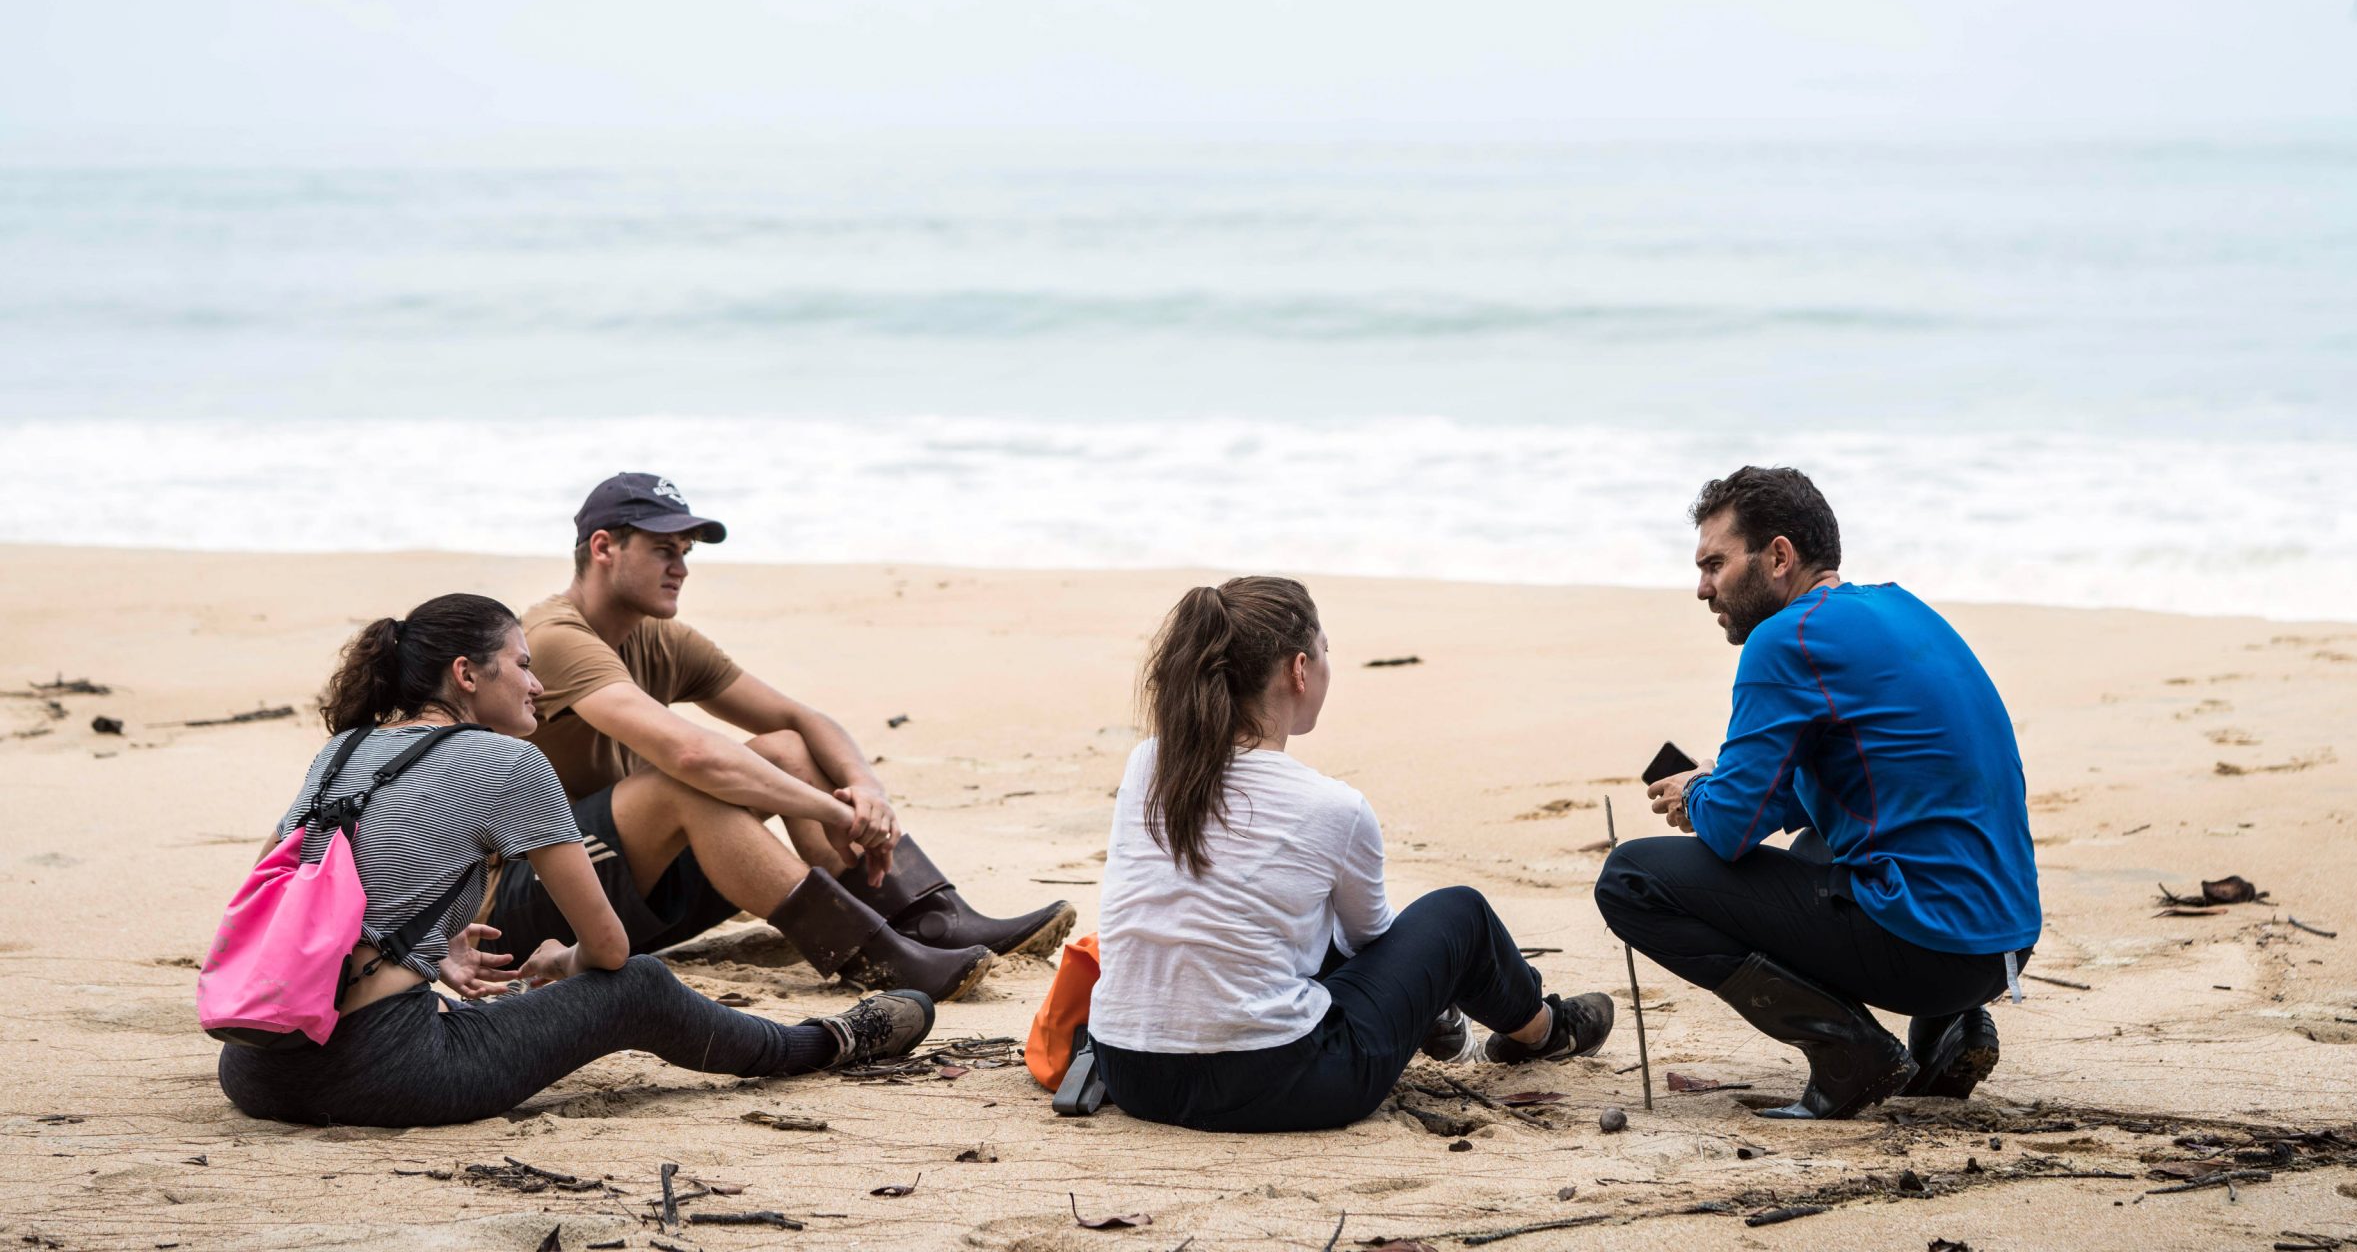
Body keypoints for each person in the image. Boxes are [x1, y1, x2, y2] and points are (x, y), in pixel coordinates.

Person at [217, 594, 933, 1128]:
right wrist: (564, 963)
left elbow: (281, 897)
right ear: (466, 674)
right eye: (523, 666)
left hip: (256, 1069)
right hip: (392, 1074)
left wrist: (430, 953)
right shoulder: (509, 761)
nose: (537, 685)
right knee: (641, 988)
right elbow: (612, 950)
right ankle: (824, 1043)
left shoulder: (339, 751)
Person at [483, 473, 1073, 1002]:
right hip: (524, 905)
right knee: (683, 785)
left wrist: (868, 792)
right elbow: (690, 754)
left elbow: (801, 719)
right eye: (664, 549)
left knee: (786, 748)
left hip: (620, 894)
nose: (681, 568)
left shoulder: (658, 639)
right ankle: (877, 957)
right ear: (603, 548)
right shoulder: (553, 638)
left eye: (685, 552)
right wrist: (834, 813)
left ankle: (927, 918)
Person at [1088, 576, 1617, 1133]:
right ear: (1299, 670)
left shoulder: (1150, 763)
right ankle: (1543, 1030)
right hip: (1273, 1084)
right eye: (1324, 654)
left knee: (1286, 923)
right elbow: (1369, 941)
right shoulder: (1333, 807)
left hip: (1131, 1071)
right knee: (1459, 914)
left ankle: (1469, 1022)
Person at [1594, 467, 2041, 1121]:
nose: (1702, 588)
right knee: (1818, 837)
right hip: (2004, 943)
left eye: (1715, 563)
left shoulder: (1785, 639)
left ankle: (1849, 1053)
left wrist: (1699, 794)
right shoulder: (1900, 607)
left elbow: (1730, 831)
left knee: (1630, 878)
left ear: (1778, 556)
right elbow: (1849, 787)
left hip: (1932, 950)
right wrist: (1731, 785)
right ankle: (1951, 1031)